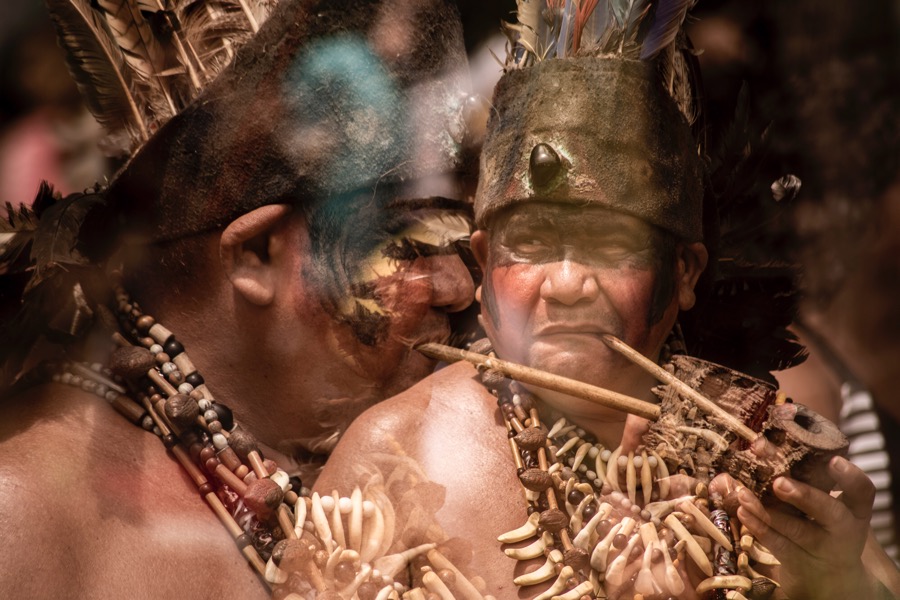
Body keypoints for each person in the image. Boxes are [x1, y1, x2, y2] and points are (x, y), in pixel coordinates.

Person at [316, 2, 900, 598]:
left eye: (609, 245)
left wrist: (842, 581)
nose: (567, 284)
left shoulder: (756, 449)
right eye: (534, 244)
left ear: (685, 272)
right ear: (486, 263)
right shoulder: (394, 459)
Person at [0, 0, 477, 597]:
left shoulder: (454, 445)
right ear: (256, 255)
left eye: (461, 237)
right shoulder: (24, 516)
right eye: (407, 240)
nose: (461, 288)